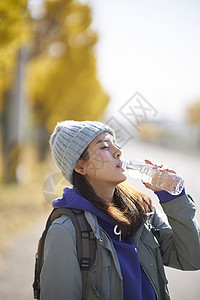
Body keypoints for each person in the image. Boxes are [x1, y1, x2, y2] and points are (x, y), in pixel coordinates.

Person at [40, 120, 200, 300]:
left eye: (116, 145)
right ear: (80, 167)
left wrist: (173, 198)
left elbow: (192, 257)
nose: (118, 152)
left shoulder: (141, 211)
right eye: (104, 147)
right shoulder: (66, 231)